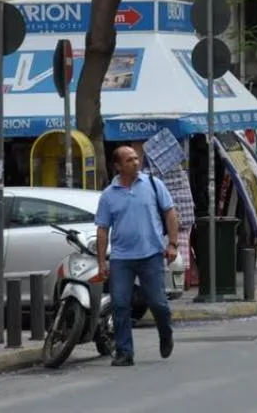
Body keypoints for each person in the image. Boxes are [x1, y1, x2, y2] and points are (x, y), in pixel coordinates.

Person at [95, 145, 179, 367]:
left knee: (158, 303)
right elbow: (102, 229)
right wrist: (102, 261)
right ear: (117, 166)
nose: (135, 162)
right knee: (120, 304)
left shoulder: (153, 184)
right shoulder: (108, 196)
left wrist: (172, 243)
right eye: (129, 159)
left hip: (151, 253)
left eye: (136, 158)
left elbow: (170, 213)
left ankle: (165, 333)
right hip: (122, 258)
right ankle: (124, 351)